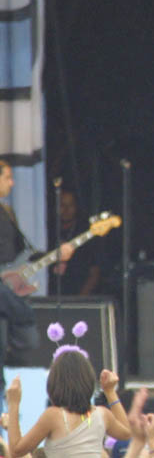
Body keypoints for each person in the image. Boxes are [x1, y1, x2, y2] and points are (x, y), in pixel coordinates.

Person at [0, 160, 73, 393]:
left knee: (26, 340)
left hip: (8, 288)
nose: (12, 183)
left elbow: (23, 252)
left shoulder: (7, 212)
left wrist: (53, 255)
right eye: (7, 177)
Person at [6, 350, 131, 456]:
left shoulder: (53, 416)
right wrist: (110, 392)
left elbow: (16, 450)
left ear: (55, 383)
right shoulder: (102, 414)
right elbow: (126, 433)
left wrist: (13, 404)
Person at [49, 189, 102, 296]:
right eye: (62, 205)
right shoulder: (48, 232)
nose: (66, 210)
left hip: (77, 295)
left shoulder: (85, 235)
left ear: (76, 207)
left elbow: (95, 272)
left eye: (70, 205)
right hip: (50, 295)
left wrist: (81, 298)